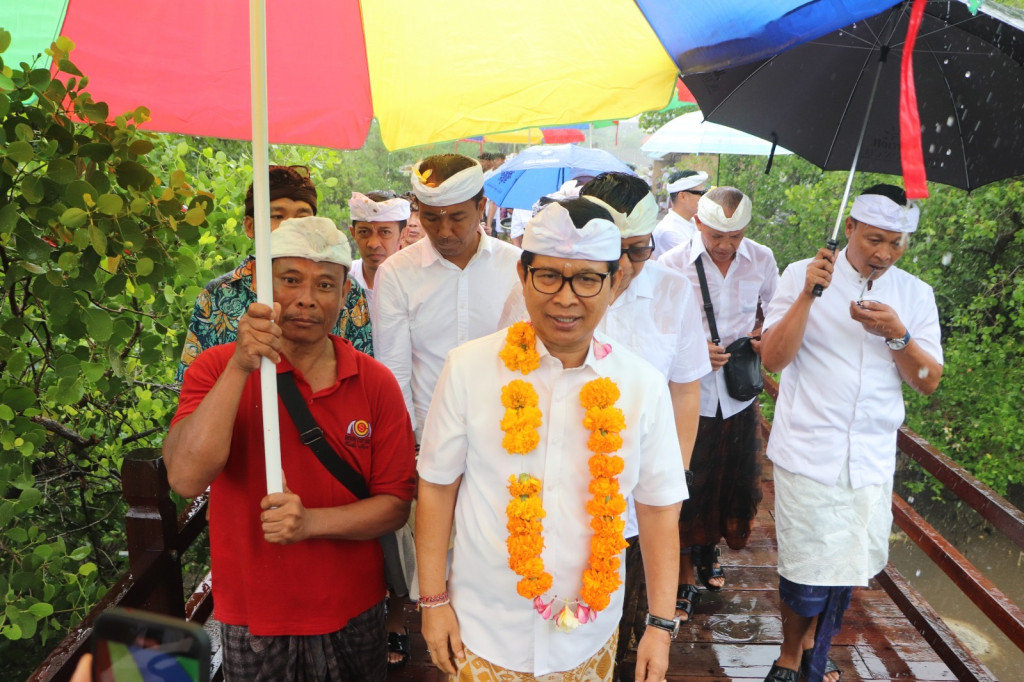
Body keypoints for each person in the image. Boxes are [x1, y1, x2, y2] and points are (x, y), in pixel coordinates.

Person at [416, 200, 686, 681]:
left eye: (586, 279)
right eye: (549, 276)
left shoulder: (641, 386)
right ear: (523, 276)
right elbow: (437, 488)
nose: (566, 298)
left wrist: (660, 626)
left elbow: (659, 509)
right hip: (482, 630)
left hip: (588, 637)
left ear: (615, 282)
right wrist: (433, 601)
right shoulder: (468, 368)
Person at [163, 217, 417, 681]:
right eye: (290, 280)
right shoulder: (216, 367)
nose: (306, 298)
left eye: (325, 284)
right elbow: (184, 478)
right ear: (262, 284)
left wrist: (312, 522)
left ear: (344, 296)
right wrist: (242, 365)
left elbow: (395, 505)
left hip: (354, 607)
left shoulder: (373, 382)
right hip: (252, 610)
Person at [759, 184, 943, 682]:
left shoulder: (914, 295)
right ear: (850, 229)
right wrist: (807, 296)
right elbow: (773, 359)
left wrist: (897, 336)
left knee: (846, 567)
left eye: (897, 243)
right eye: (875, 239)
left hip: (870, 459)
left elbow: (927, 382)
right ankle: (790, 652)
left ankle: (817, 646)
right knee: (804, 571)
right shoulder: (804, 273)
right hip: (809, 451)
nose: (884, 253)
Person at [659, 187, 779, 619]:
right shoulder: (672, 266)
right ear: (698, 225)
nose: (726, 246)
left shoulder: (762, 259)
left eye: (736, 236)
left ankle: (709, 552)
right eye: (716, 236)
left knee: (735, 481)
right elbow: (657, 330)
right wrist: (691, 351)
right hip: (690, 396)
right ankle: (683, 575)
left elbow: (775, 310)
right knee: (688, 485)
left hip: (739, 394)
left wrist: (764, 337)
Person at [372, 153, 522, 438]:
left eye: (457, 218)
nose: (444, 232)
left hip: (504, 436)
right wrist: (408, 445)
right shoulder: (396, 273)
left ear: (481, 208)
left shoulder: (516, 267)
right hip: (427, 438)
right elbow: (394, 372)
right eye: (431, 218)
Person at [176, 165, 372, 381]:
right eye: (277, 216)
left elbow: (362, 376)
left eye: (302, 217)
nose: (290, 227)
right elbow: (193, 384)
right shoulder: (218, 295)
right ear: (250, 227)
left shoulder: (346, 292)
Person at [347, 190, 409, 307]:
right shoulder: (341, 281)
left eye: (385, 232)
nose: (373, 244)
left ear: (403, 234)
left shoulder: (418, 284)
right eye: (364, 232)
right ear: (353, 233)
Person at [651, 170, 707, 260]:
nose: (704, 197)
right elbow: (700, 261)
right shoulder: (669, 230)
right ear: (682, 196)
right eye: (701, 193)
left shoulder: (693, 221)